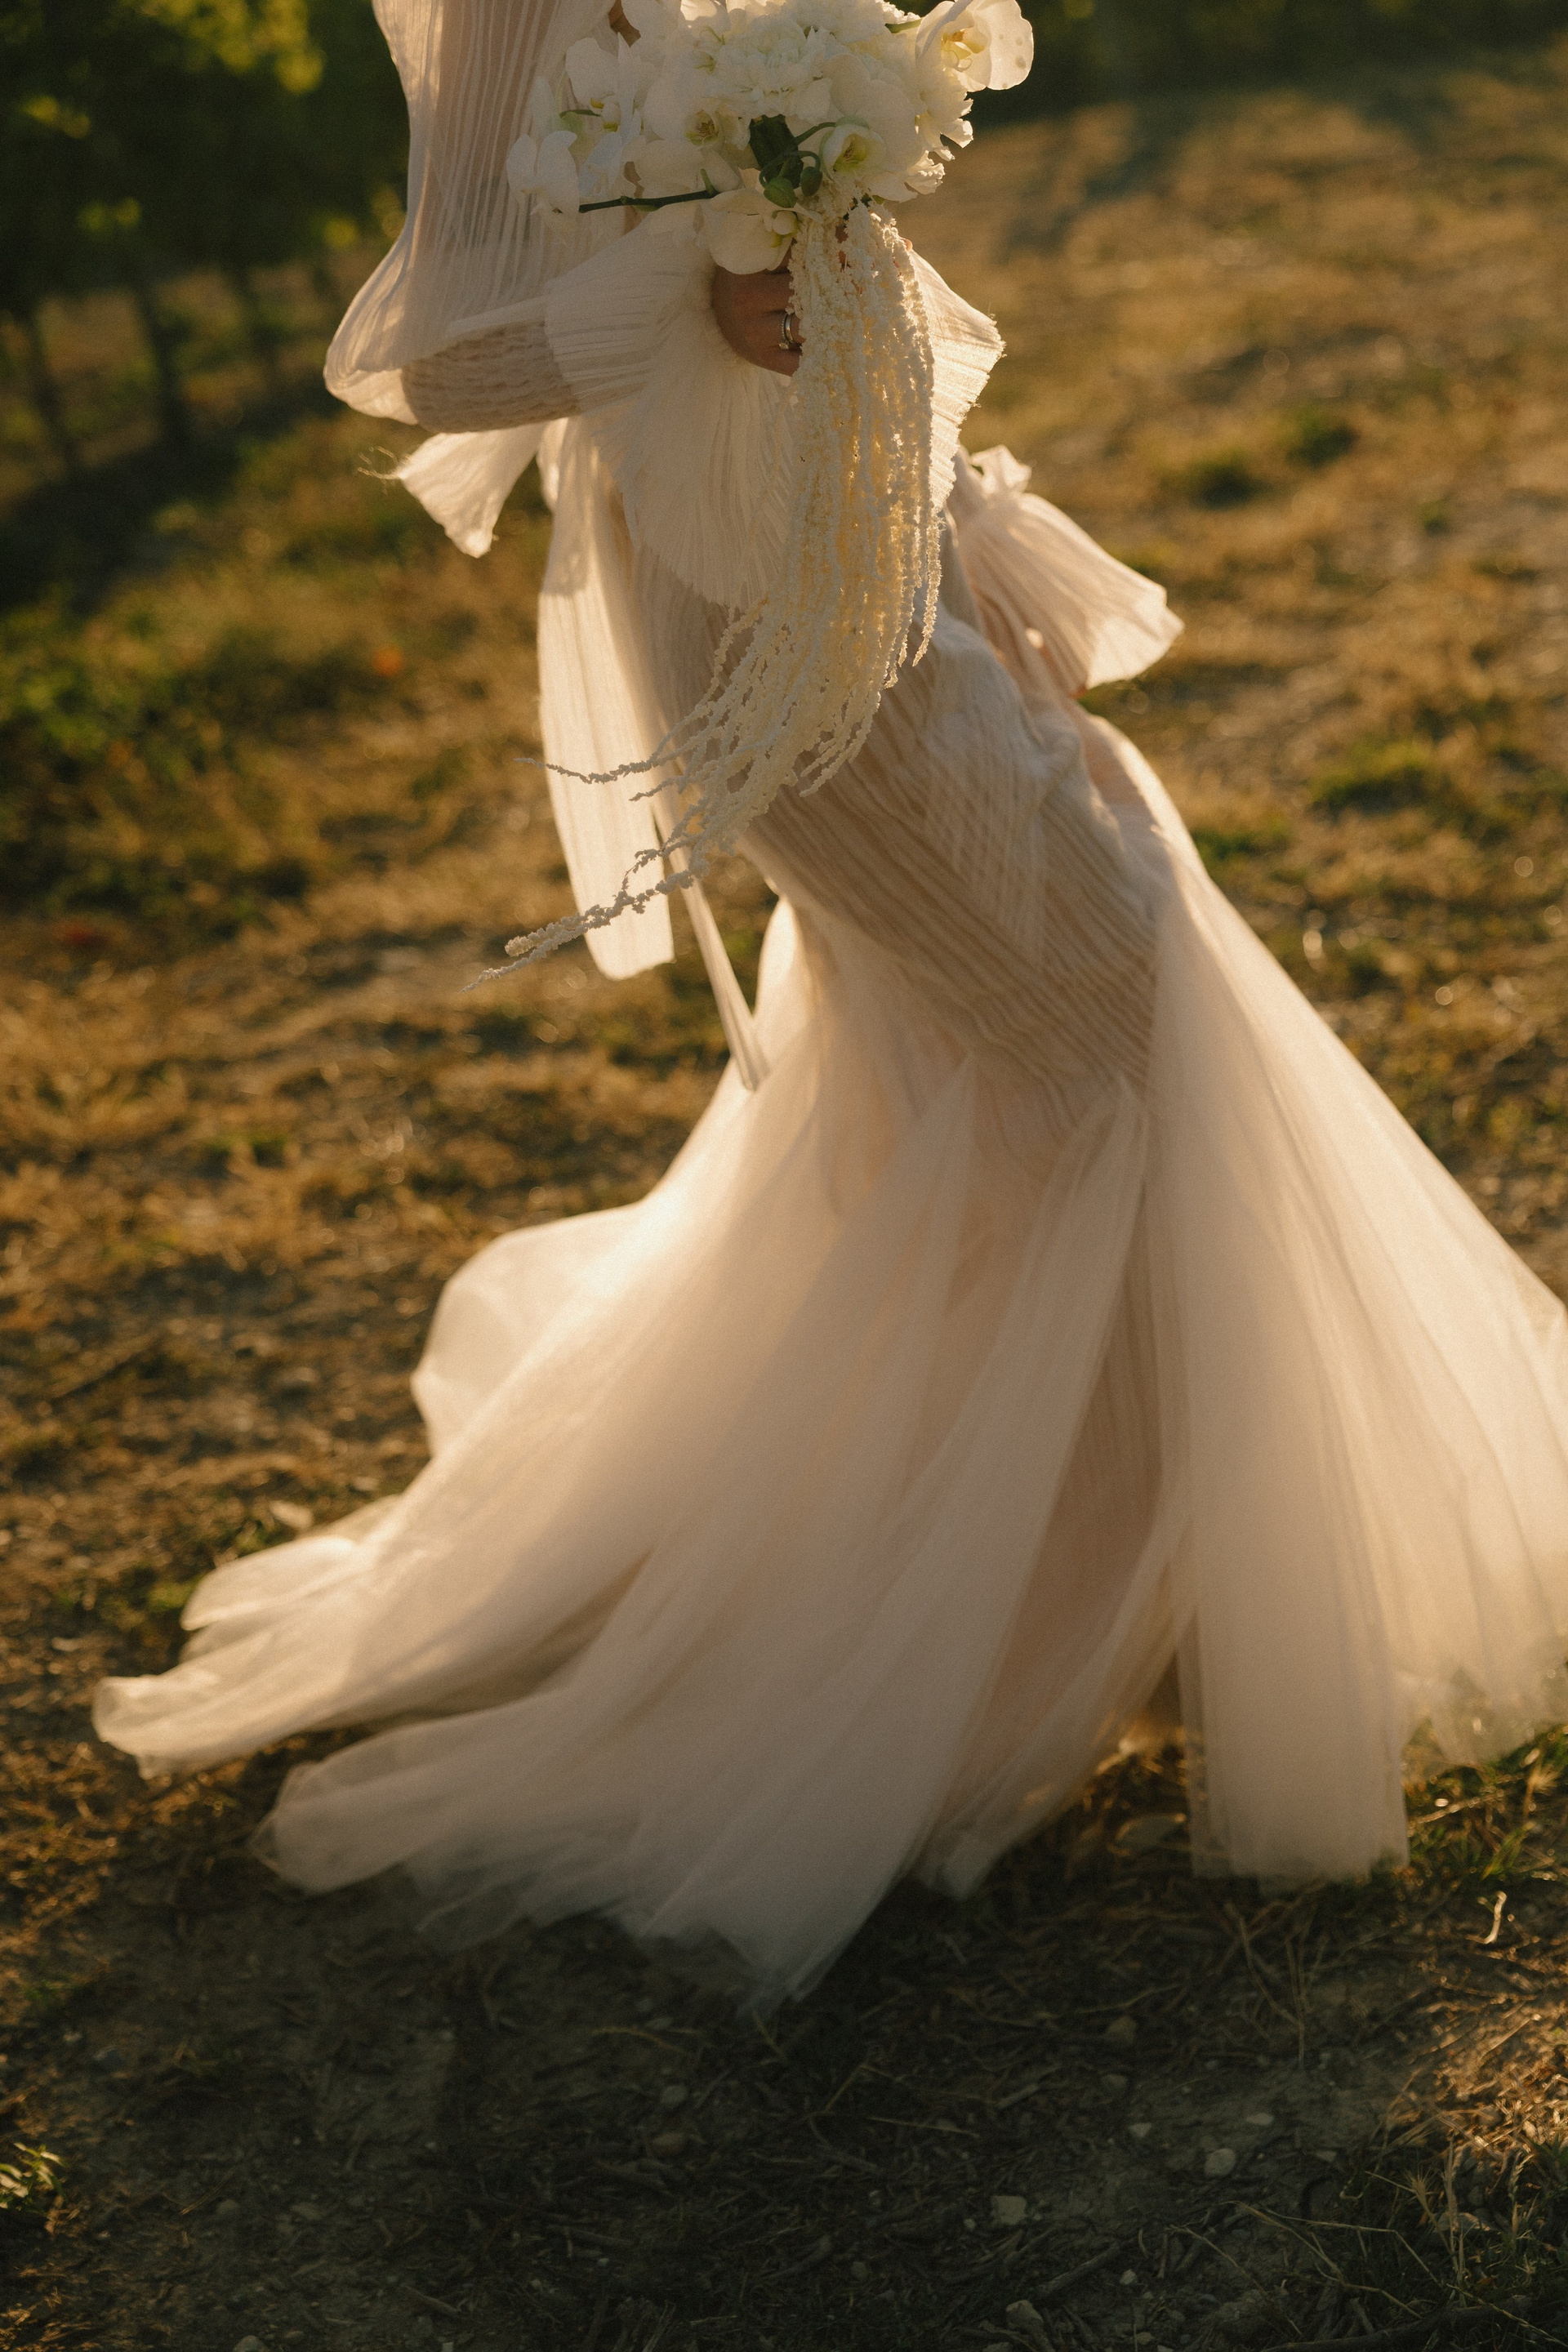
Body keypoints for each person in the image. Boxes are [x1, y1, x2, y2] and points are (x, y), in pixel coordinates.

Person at [95, 0, 1568, 2010]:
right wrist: (687, 295)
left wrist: (956, 495)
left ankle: (1146, 1595)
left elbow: (844, 241)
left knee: (1030, 1024)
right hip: (740, 589)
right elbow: (431, 359)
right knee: (1101, 1025)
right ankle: (1011, 1648)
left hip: (884, 524)